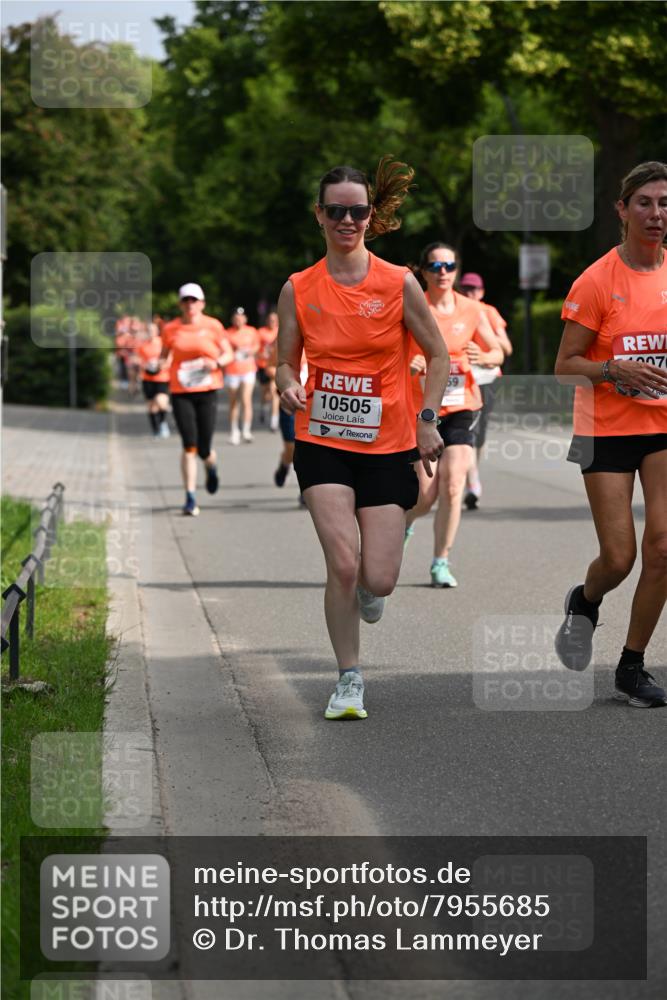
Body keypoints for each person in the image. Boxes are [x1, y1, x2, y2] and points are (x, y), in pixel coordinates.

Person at [276, 156, 449, 720]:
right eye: (336, 211)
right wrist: (287, 386)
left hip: (387, 443)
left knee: (378, 578)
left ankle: (381, 571)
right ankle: (348, 680)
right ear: (319, 215)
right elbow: (284, 363)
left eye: (357, 211)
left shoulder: (397, 281)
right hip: (323, 440)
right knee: (343, 566)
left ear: (370, 216)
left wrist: (427, 419)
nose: (346, 220)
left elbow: (439, 355)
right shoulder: (299, 288)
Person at [554, 160, 667, 708]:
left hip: (663, 424)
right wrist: (613, 370)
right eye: (644, 202)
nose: (656, 213)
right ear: (622, 210)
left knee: (664, 548)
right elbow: (565, 364)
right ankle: (585, 600)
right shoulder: (598, 280)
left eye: (664, 203)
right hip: (606, 428)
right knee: (620, 557)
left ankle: (631, 665)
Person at [403, 244, 504, 587]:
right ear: (424, 272)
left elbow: (497, 351)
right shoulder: (413, 307)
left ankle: (440, 561)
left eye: (448, 265)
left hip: (463, 405)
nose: (442, 271)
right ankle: (406, 522)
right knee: (425, 493)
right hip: (422, 408)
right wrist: (409, 363)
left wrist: (485, 355)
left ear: (456, 270)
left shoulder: (472, 309)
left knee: (454, 484)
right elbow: (389, 351)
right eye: (434, 265)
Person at [160, 283, 233, 516]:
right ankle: (190, 497)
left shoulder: (213, 326)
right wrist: (156, 368)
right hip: (181, 391)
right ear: (181, 304)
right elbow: (163, 358)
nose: (190, 305)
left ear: (202, 303)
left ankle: (211, 467)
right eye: (186, 301)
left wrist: (217, 363)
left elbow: (228, 353)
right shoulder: (170, 329)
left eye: (194, 300)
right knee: (188, 445)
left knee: (204, 448)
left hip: (207, 390)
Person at [458, 272, 512, 509]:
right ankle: (471, 482)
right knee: (467, 429)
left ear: (481, 292)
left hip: (488, 378)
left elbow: (506, 348)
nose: (470, 293)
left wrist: (485, 347)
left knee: (479, 433)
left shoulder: (488, 312)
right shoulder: (455, 310)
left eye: (474, 289)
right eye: (466, 289)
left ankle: (473, 475)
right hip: (461, 378)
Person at [225, 307, 260, 444]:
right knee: (234, 402)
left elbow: (257, 346)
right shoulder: (228, 333)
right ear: (233, 319)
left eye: (241, 317)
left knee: (246, 399)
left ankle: (246, 430)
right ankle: (234, 431)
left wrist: (250, 351)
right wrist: (233, 352)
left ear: (245, 319)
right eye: (236, 318)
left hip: (248, 370)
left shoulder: (251, 331)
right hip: (232, 370)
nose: (238, 320)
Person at [137, 321, 171, 437]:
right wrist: (145, 365)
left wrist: (160, 365)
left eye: (152, 330)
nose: (150, 332)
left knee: (161, 402)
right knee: (151, 406)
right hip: (147, 378)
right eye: (148, 330)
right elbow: (138, 360)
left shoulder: (162, 343)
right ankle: (155, 429)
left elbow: (169, 359)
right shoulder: (143, 345)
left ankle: (162, 422)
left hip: (162, 377)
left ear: (157, 331)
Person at [257, 310, 281, 431]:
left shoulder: (280, 331)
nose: (272, 322)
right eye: (270, 320)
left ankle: (274, 421)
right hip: (263, 365)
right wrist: (262, 353)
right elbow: (256, 348)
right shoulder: (261, 332)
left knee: (274, 391)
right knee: (265, 393)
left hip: (275, 366)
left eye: (274, 320)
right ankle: (263, 407)